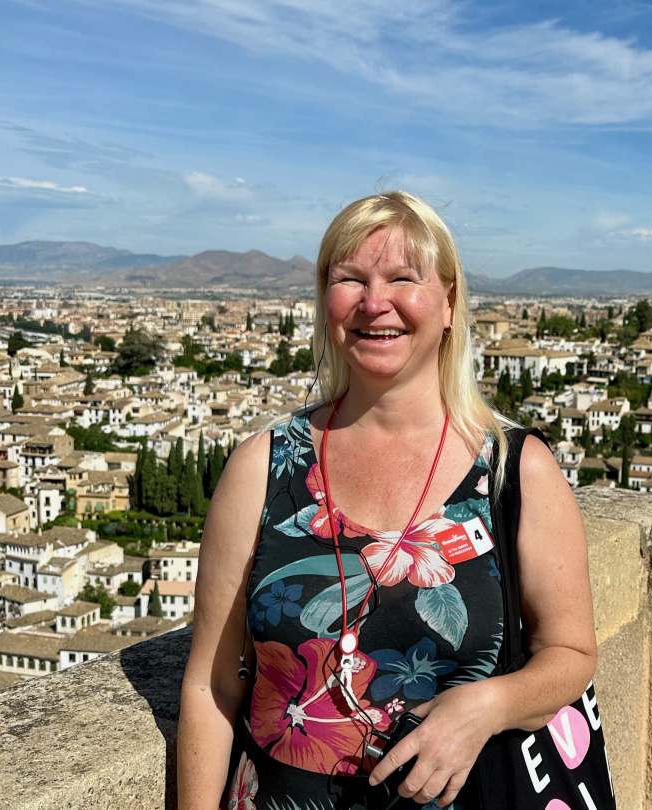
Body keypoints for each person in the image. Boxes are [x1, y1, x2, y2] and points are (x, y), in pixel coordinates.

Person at [177, 191, 597, 810]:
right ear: (327, 301)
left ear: (450, 303)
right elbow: (212, 684)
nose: (376, 303)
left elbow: (572, 653)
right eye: (350, 280)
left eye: (403, 278)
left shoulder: (514, 470)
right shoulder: (262, 469)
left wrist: (484, 706)